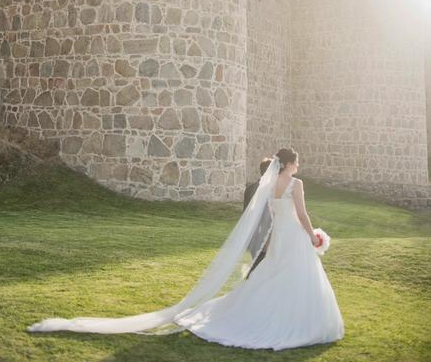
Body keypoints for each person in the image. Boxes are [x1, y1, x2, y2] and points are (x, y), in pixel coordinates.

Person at [28, 148, 345, 352]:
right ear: (289, 164)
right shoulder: (296, 184)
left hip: (279, 237)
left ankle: (267, 313)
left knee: (275, 275)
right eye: (297, 161)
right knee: (293, 277)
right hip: (294, 235)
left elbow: (274, 215)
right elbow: (302, 215)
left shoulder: (270, 185)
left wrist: (289, 233)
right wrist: (312, 235)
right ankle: (290, 322)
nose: (299, 165)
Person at [243, 157, 272, 277]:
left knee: (258, 266)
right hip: (265, 235)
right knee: (260, 269)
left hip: (252, 235)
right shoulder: (271, 190)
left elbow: (245, 213)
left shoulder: (250, 188)